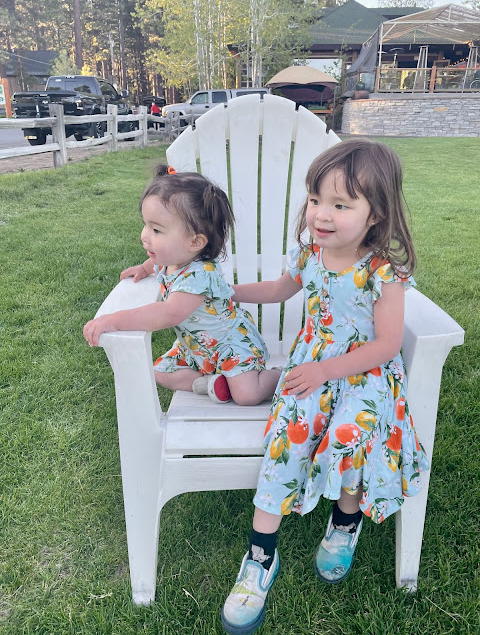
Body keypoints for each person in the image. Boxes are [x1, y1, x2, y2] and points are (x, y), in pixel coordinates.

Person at [221, 139, 429, 635]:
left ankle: (344, 523)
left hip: (366, 375)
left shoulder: (382, 272)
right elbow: (279, 290)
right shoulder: (310, 254)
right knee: (285, 439)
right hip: (310, 368)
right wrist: (227, 292)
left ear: (376, 214)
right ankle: (260, 558)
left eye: (341, 204)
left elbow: (386, 345)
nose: (321, 213)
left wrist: (325, 371)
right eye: (316, 199)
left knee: (348, 437)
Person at [83, 165, 281, 406]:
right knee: (160, 372)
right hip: (196, 348)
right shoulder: (172, 260)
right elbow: (155, 263)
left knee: (247, 395)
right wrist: (144, 268)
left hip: (230, 346)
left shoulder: (199, 275)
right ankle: (210, 383)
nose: (145, 235)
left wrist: (115, 320)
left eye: (156, 230)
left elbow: (169, 313)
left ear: (195, 242)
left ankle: (278, 378)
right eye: (146, 225)